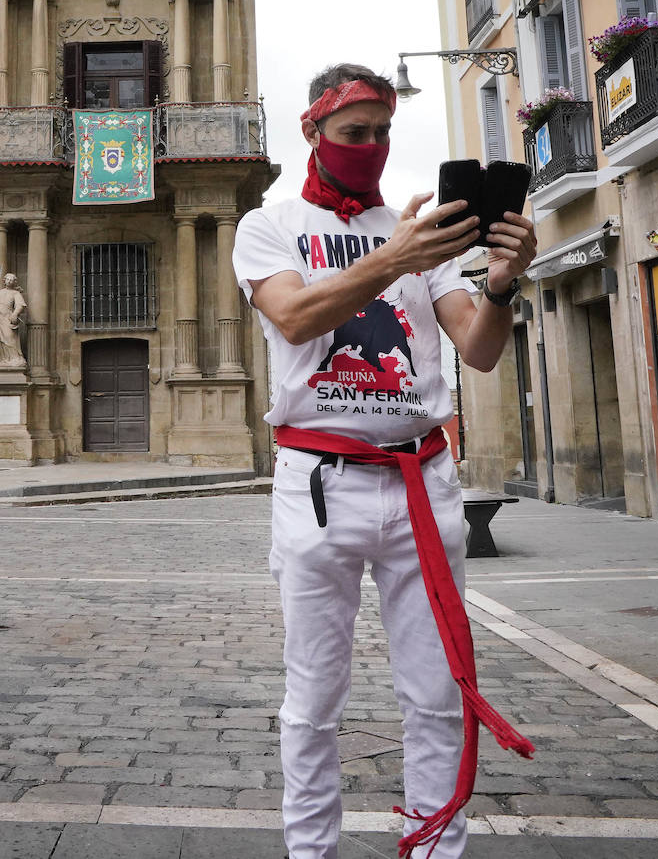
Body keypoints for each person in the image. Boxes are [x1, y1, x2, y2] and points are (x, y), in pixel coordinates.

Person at [233, 63, 537, 859]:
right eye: (352, 132)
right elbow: (295, 317)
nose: (370, 146)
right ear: (312, 131)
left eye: (382, 132)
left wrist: (502, 287)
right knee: (314, 694)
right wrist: (390, 259)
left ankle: (436, 846)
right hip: (319, 485)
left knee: (437, 694)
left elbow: (475, 349)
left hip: (422, 483)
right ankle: (311, 853)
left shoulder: (423, 236)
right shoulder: (269, 225)